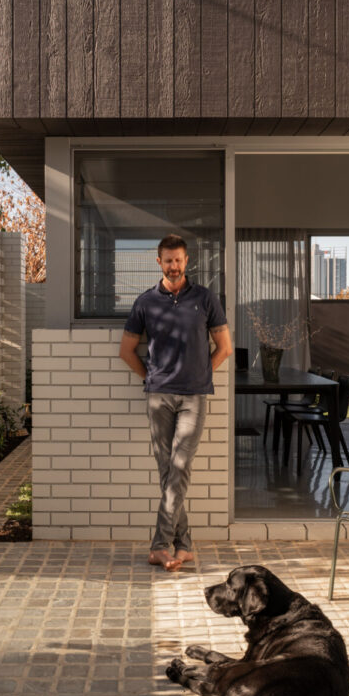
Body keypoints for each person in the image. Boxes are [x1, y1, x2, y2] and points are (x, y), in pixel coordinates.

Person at [119, 234, 232, 571]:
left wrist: (200, 374)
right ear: (159, 262)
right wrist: (150, 379)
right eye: (168, 260)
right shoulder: (145, 302)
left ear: (187, 261)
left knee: (179, 468)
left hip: (194, 397)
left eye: (179, 259)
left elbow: (225, 347)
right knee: (168, 472)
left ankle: (159, 546)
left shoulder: (205, 298)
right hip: (159, 398)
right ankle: (184, 546)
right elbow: (126, 351)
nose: (174, 265)